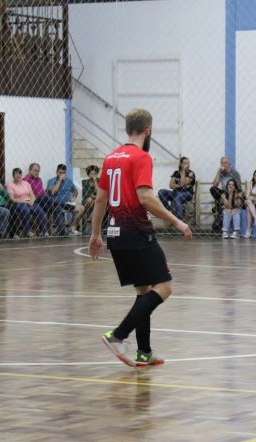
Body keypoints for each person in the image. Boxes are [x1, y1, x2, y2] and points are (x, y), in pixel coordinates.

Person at [89, 108, 192, 367]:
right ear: (148, 130)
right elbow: (145, 197)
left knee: (144, 290)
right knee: (164, 287)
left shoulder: (111, 158)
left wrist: (95, 234)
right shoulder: (141, 157)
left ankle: (144, 352)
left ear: (127, 130)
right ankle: (118, 335)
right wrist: (177, 221)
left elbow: (100, 200)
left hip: (115, 235)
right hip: (136, 232)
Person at [7, 167, 47, 237]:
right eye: (16, 174)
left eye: (19, 173)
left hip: (29, 202)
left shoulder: (26, 183)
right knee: (26, 210)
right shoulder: (10, 185)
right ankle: (28, 231)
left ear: (21, 175)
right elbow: (12, 199)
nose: (18, 175)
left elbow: (32, 195)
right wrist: (25, 202)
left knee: (40, 210)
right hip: (19, 203)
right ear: (13, 176)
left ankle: (44, 231)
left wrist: (32, 201)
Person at [158, 156, 196, 221]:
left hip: (187, 193)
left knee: (178, 198)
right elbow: (171, 185)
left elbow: (182, 183)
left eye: (188, 163)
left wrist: (183, 171)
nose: (187, 165)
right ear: (181, 164)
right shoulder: (176, 173)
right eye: (185, 163)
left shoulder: (190, 173)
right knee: (161, 192)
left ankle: (179, 221)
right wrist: (182, 185)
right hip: (175, 193)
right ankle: (169, 210)